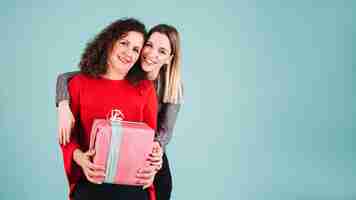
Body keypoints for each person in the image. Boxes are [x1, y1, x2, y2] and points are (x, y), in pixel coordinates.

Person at [56, 24, 183, 200]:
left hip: (137, 182)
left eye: (135, 49)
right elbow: (68, 139)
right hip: (92, 184)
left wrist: (155, 163)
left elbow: (154, 137)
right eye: (124, 43)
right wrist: (62, 104)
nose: (129, 52)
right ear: (109, 42)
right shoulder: (78, 83)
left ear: (169, 58)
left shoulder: (150, 89)